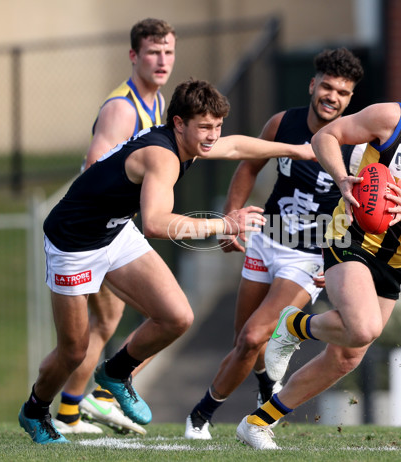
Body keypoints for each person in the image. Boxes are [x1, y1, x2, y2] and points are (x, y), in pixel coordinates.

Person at [18, 78, 316, 444]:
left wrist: (298, 150)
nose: (212, 135)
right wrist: (225, 223)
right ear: (178, 123)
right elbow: (157, 224)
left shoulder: (191, 141)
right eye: (205, 127)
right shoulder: (162, 156)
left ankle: (115, 372)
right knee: (74, 350)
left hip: (113, 232)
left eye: (217, 126)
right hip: (73, 245)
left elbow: (237, 145)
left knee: (177, 316)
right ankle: (35, 411)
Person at [236, 49, 401, 449]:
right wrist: (341, 178)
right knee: (364, 327)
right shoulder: (392, 118)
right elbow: (325, 136)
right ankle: (294, 325)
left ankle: (258, 421)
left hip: (396, 257)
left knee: (348, 356)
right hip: (347, 235)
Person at [184, 48, 364, 440]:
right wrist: (231, 221)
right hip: (268, 239)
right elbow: (249, 165)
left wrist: (340, 263)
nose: (333, 97)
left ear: (351, 100)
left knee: (253, 336)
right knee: (244, 342)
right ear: (312, 84)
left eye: (343, 92)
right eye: (328, 87)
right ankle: (267, 387)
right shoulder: (283, 123)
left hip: (310, 253)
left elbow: (363, 212)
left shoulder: (358, 145)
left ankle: (199, 417)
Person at [53, 18, 176, 436]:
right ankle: (90, 400)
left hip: (110, 227)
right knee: (142, 318)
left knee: (107, 324)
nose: (162, 61)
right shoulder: (123, 107)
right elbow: (96, 164)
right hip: (94, 231)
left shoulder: (158, 103)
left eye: (168, 52)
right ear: (133, 57)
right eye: (153, 53)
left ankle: (76, 407)